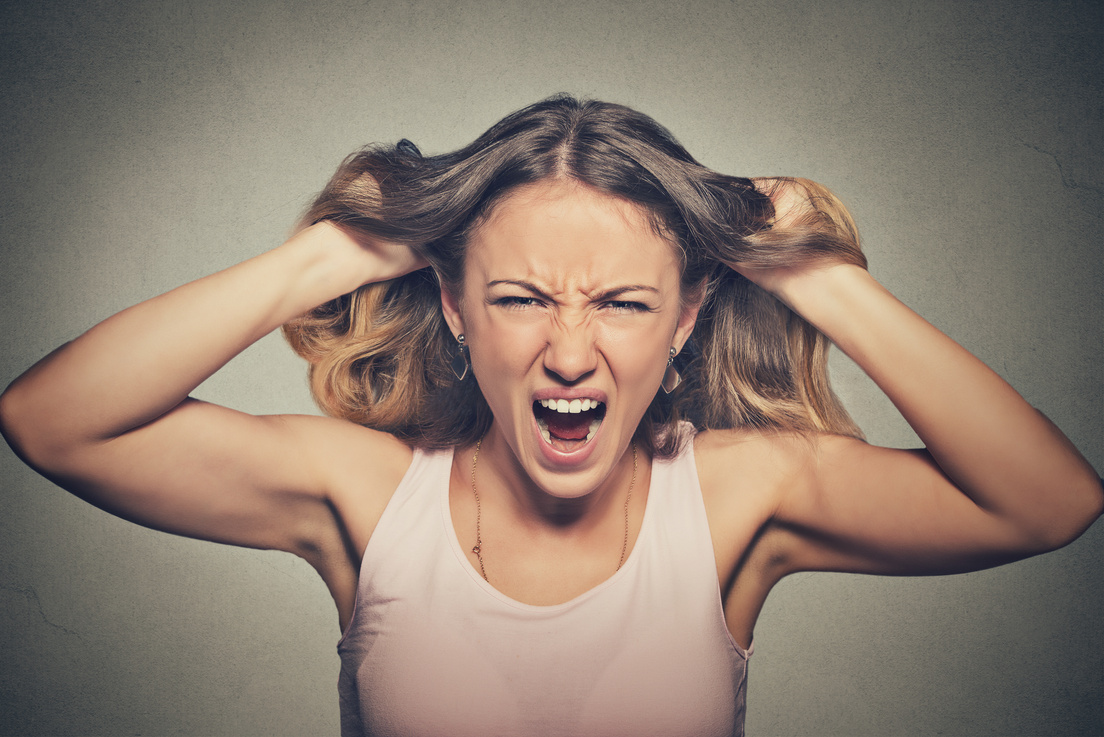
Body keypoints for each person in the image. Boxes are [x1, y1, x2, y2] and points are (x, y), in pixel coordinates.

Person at [0, 95, 1099, 737]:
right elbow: (53, 420)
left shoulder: (737, 495)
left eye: (623, 303)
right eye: (521, 298)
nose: (569, 351)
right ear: (455, 308)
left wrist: (818, 277)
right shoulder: (373, 497)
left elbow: (1051, 501)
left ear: (685, 318)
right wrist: (322, 257)